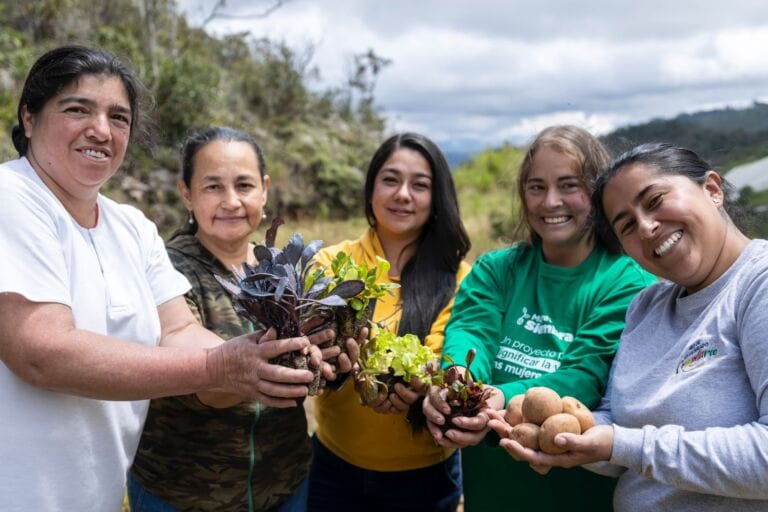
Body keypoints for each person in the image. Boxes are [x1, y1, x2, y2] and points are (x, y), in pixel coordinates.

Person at [0, 46, 334, 512]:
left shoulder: (131, 227)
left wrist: (261, 354)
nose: (101, 130)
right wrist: (218, 368)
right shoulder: (12, 195)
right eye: (77, 109)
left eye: (118, 117)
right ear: (29, 117)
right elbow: (41, 353)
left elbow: (177, 329)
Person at [495, 142, 768, 511]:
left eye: (655, 200)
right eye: (626, 225)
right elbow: (618, 426)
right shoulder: (647, 305)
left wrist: (622, 445)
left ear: (712, 189)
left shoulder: (757, 284)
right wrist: (565, 437)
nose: (647, 227)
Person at [423, 125, 656, 511]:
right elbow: (470, 331)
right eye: (536, 187)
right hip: (492, 494)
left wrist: (496, 398)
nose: (551, 202)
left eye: (569, 185)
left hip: (578, 498)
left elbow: (585, 376)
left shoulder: (628, 282)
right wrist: (457, 384)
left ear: (597, 193)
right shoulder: (496, 269)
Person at [129, 127, 336, 511]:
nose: (231, 201)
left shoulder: (283, 269)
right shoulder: (165, 272)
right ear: (186, 193)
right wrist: (270, 364)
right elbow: (199, 386)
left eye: (244, 185)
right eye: (213, 187)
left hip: (286, 484)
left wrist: (332, 360)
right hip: (184, 495)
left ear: (264, 190)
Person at [307, 132, 472, 511]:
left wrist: (423, 381)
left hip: (425, 480)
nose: (403, 194)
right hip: (332, 470)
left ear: (437, 198)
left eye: (420, 185)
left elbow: (445, 354)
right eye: (391, 180)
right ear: (371, 190)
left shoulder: (461, 278)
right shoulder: (330, 264)